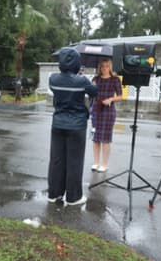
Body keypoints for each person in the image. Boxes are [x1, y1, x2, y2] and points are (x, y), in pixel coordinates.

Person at [48, 48, 98, 206]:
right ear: (77, 62)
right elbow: (95, 92)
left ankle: (54, 194)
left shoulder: (53, 79)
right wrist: (91, 81)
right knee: (74, 162)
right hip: (76, 126)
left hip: (57, 124)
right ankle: (73, 197)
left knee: (56, 160)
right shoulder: (82, 81)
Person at [90, 59, 123, 173]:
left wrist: (111, 99)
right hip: (96, 110)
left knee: (105, 139)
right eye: (102, 66)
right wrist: (92, 87)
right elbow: (90, 94)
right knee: (95, 138)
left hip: (108, 111)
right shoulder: (95, 79)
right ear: (99, 67)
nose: (104, 68)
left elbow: (120, 96)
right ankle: (96, 162)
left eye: (106, 66)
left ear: (110, 67)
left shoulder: (115, 80)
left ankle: (104, 164)